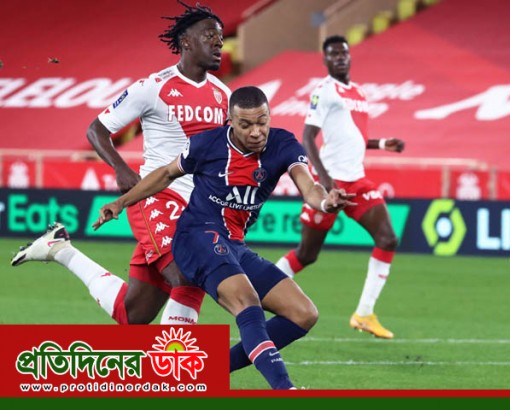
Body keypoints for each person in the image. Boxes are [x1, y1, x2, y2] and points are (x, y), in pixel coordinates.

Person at [93, 86, 355, 389]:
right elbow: (165, 174)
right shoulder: (207, 144)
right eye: (246, 125)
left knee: (303, 313)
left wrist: (325, 202)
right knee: (247, 301)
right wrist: (120, 203)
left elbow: (308, 186)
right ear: (230, 121)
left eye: (262, 122)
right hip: (195, 237)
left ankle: (209, 370)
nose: (256, 132)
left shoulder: (283, 144)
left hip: (233, 244)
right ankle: (285, 388)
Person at [11, 1, 231, 325]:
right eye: (210, 35)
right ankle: (175, 357)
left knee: (133, 314)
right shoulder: (152, 87)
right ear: (186, 41)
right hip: (156, 196)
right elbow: (96, 129)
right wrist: (120, 168)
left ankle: (60, 249)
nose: (219, 43)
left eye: (221, 37)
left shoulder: (223, 95)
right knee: (187, 273)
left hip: (197, 207)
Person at [274, 35, 405, 339]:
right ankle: (260, 288)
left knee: (388, 239)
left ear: (349, 56)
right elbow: (308, 138)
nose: (339, 58)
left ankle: (364, 314)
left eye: (343, 53)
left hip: (357, 181)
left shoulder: (359, 92)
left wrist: (382, 144)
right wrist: (326, 183)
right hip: (329, 182)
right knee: (306, 254)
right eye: (333, 54)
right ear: (325, 60)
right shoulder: (324, 91)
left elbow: (354, 137)